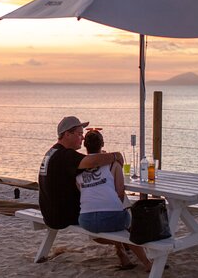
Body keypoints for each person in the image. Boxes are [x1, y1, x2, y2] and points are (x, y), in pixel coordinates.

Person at [76, 129, 152, 271]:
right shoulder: (113, 165)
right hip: (112, 218)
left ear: (85, 146)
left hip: (86, 221)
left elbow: (84, 192)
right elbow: (120, 193)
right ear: (102, 144)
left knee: (108, 224)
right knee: (127, 227)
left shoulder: (79, 169)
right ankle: (147, 264)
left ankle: (121, 251)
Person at [38, 116, 124, 231]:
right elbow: (91, 161)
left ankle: (121, 247)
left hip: (49, 214)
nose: (83, 138)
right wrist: (115, 156)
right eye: (79, 134)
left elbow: (88, 161)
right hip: (62, 217)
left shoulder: (52, 152)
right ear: (67, 134)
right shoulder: (66, 155)